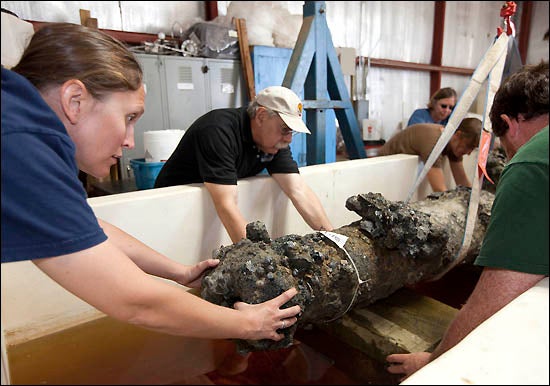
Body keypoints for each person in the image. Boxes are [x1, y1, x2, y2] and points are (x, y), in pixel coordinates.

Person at [1, 23, 302, 347]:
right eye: (130, 117)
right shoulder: (19, 145)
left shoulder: (24, 124)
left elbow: (87, 227)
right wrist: (246, 323)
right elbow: (135, 302)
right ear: (75, 101)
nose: (131, 141)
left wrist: (179, 272)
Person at [386, 61, 549, 381]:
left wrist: (437, 358)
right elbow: (445, 186)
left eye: (504, 146)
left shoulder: (531, 161)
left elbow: (499, 292)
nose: (513, 156)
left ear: (508, 123)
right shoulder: (437, 138)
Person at [154, 85, 334, 244]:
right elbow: (227, 205)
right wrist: (261, 266)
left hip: (204, 210)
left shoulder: (274, 142)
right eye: (285, 129)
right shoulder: (218, 130)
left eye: (291, 132)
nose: (288, 139)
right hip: (168, 211)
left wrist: (335, 239)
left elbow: (298, 191)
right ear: (261, 116)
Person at [378, 117, 482, 192]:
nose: (468, 153)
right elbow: (439, 189)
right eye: (468, 146)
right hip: (382, 165)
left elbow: (462, 181)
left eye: (472, 148)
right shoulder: (435, 142)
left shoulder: (454, 143)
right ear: (458, 135)